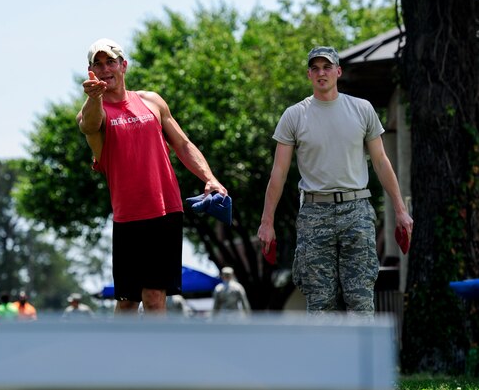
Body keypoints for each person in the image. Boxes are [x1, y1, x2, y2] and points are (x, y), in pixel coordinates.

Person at [257, 46, 414, 317]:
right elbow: (279, 173)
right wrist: (266, 222)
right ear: (308, 75)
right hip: (314, 213)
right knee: (319, 305)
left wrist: (401, 210)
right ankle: (324, 360)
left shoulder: (361, 109)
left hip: (357, 211)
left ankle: (363, 360)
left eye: (327, 67)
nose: (321, 73)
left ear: (338, 71)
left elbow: (380, 161)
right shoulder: (294, 115)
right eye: (315, 68)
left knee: (361, 301)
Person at [77, 38, 227, 314]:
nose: (104, 68)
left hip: (166, 210)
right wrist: (93, 97)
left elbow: (182, 145)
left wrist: (210, 178)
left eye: (110, 61)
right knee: (127, 300)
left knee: (156, 295)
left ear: (124, 66)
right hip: (128, 216)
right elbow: (88, 124)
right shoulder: (94, 111)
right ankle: (122, 357)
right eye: (97, 64)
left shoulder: (151, 101)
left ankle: (156, 356)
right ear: (91, 71)